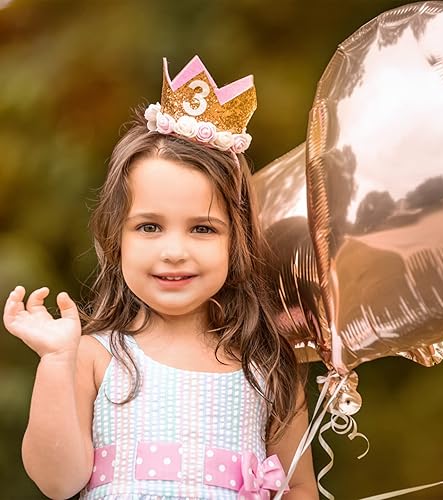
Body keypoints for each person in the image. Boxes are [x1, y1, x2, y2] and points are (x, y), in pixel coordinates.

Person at [3, 55, 319, 499]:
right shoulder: (95, 357)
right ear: (116, 238)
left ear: (237, 242)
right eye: (150, 227)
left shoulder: (266, 367)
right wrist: (56, 362)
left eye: (202, 229)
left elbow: (299, 487)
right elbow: (57, 482)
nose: (174, 252)